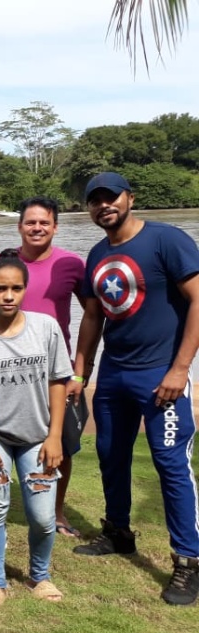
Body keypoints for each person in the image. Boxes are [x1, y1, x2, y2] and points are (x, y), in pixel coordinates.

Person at [71, 172, 199, 606]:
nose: (104, 206)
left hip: (161, 375)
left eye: (111, 197)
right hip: (114, 374)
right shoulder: (97, 253)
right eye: (95, 200)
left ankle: (188, 560)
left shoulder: (167, 241)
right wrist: (81, 372)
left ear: (130, 198)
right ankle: (119, 532)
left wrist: (181, 369)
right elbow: (92, 317)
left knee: (171, 464)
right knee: (110, 455)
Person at [0, 254, 72, 609]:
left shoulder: (46, 327)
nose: (8, 296)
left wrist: (55, 437)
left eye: (16, 288)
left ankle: (40, 574)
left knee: (41, 515)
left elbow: (57, 382)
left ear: (26, 289)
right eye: (0, 288)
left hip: (38, 436)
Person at [9, 197, 91, 539]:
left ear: (55, 226)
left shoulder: (71, 264)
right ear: (20, 227)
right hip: (13, 372)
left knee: (64, 443)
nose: (37, 228)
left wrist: (79, 372)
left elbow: (94, 314)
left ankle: (57, 512)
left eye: (44, 222)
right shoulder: (5, 262)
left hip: (59, 370)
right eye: (31, 222)